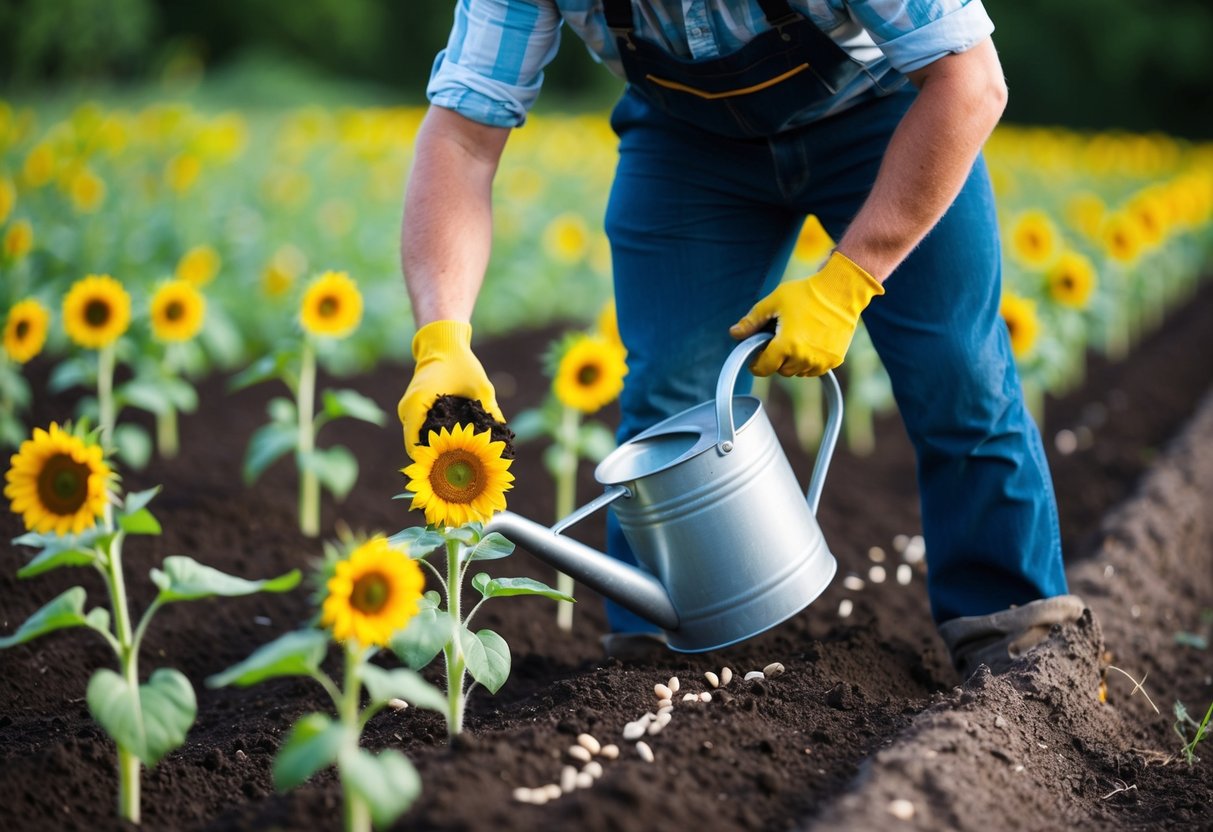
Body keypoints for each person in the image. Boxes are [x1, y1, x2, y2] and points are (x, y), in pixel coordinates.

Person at [397, 0, 1085, 676]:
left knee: (957, 372)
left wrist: (848, 279)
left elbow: (970, 80)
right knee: (668, 397)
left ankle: (1016, 638)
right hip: (686, 141)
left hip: (886, 115)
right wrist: (441, 338)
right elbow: (461, 135)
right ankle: (661, 654)